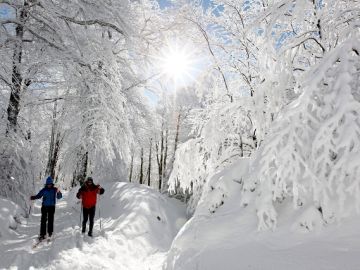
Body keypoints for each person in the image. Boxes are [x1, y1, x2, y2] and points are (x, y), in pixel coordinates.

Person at [30, 176, 62, 241]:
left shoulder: (55, 189)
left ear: (52, 184)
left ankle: (50, 232)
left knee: (51, 219)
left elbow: (59, 197)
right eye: (48, 184)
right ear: (46, 184)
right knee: (43, 220)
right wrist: (33, 197)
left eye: (50, 184)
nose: (49, 185)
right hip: (44, 206)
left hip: (52, 207)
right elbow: (39, 196)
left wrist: (59, 192)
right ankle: (42, 234)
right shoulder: (44, 190)